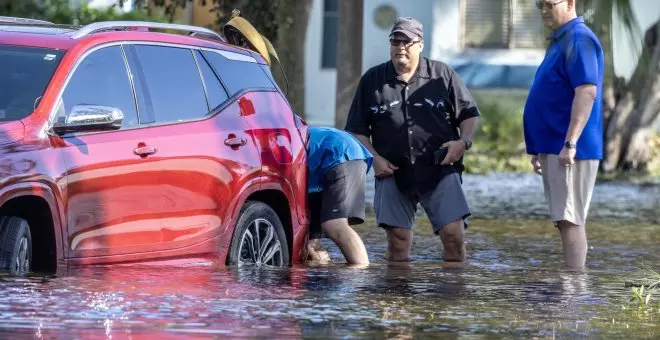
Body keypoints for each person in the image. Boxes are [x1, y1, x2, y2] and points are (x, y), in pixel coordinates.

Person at [344, 17, 480, 262]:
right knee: (397, 242)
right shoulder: (372, 80)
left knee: (454, 237)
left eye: (407, 41)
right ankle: (399, 297)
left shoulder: (442, 75)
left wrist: (463, 143)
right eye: (396, 41)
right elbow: (356, 130)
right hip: (392, 172)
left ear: (421, 44)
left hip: (440, 169)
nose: (401, 47)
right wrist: (375, 159)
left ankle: (452, 296)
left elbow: (469, 115)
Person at [523, 0, 604, 268]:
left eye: (549, 4)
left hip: (569, 147)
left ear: (570, 2)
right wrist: (538, 148)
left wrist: (570, 143)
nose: (544, 10)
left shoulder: (579, 40)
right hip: (554, 146)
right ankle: (571, 287)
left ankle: (574, 291)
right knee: (563, 218)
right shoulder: (561, 39)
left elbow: (586, 92)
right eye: (539, 4)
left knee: (570, 218)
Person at [305, 125, 372, 265]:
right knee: (309, 241)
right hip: (324, 164)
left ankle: (359, 273)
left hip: (340, 152)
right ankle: (320, 263)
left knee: (334, 224)